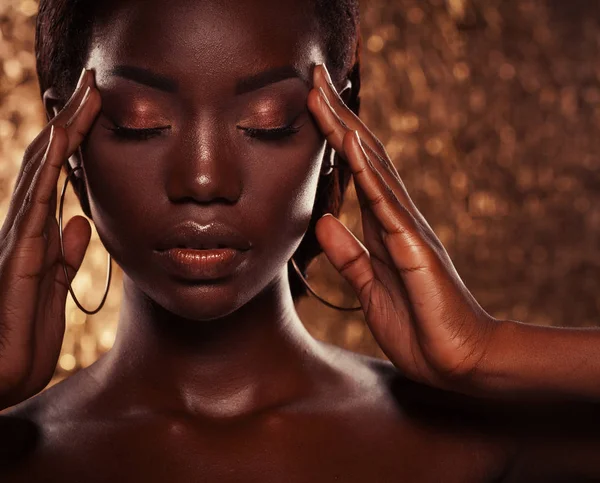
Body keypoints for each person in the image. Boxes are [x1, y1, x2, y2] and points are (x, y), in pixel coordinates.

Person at [1, 0, 600, 481]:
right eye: (141, 123)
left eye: (267, 123)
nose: (204, 178)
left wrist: (489, 353)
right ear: (70, 145)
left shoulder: (489, 449)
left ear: (337, 122)